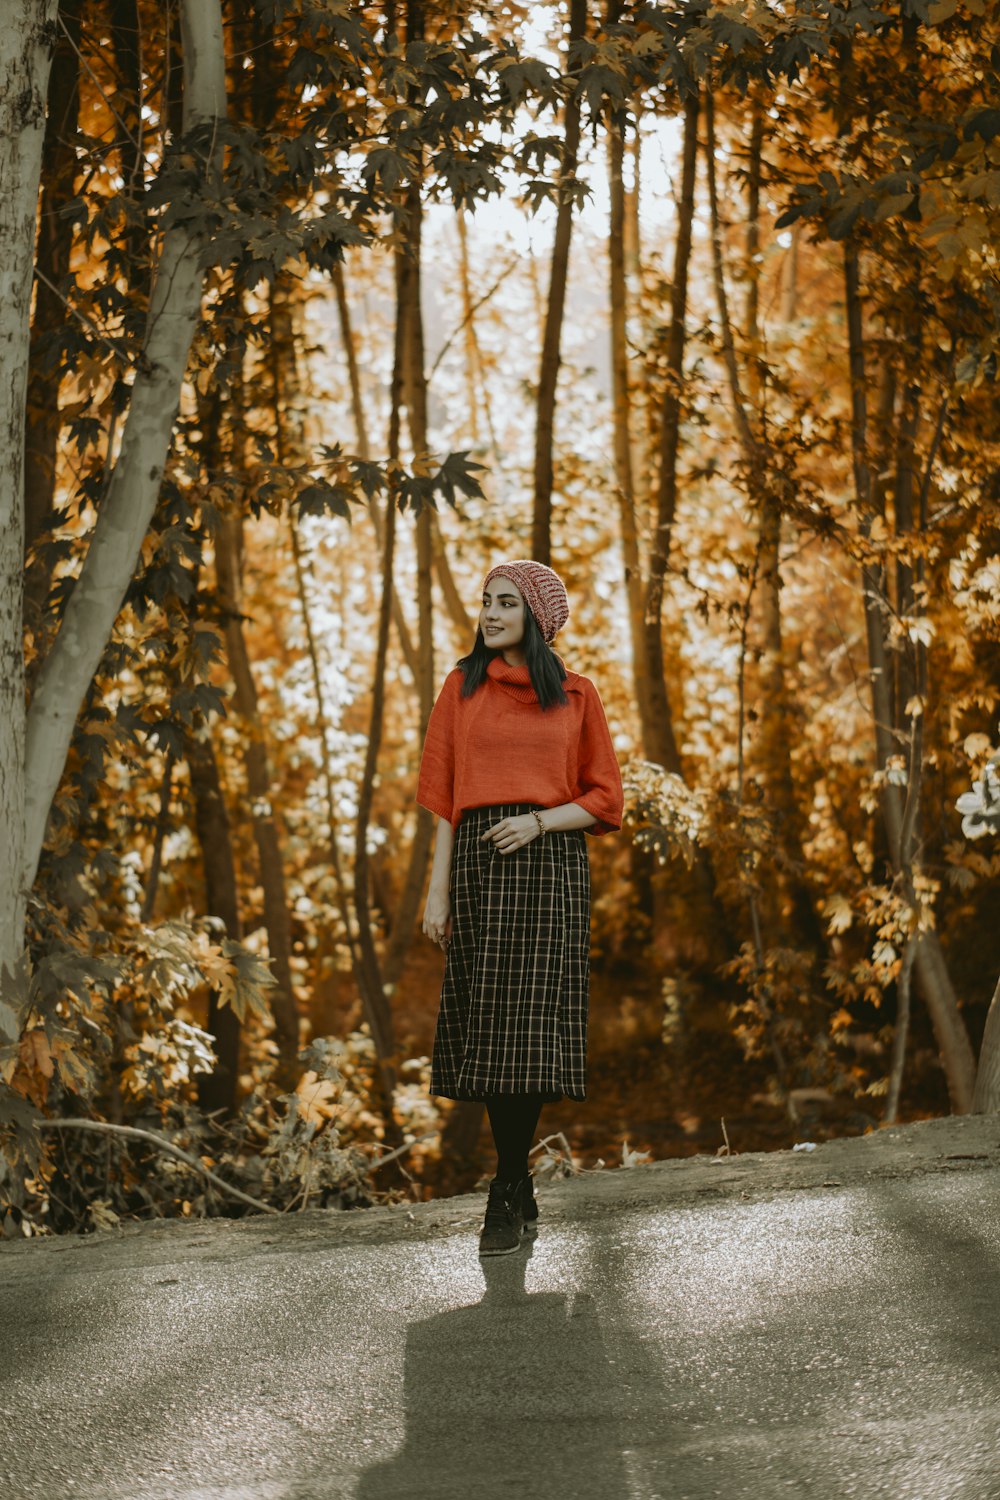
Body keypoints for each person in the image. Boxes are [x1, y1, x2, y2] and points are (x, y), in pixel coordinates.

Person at [416, 559, 624, 1256]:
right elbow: (444, 799)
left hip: (550, 867)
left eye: (507, 602)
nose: (491, 612)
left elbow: (604, 798)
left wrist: (539, 822)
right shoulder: (461, 687)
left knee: (529, 1030)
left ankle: (506, 1185)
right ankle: (516, 1181)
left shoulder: (575, 695)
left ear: (537, 617)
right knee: (494, 1025)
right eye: (486, 601)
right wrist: (436, 887)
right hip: (477, 864)